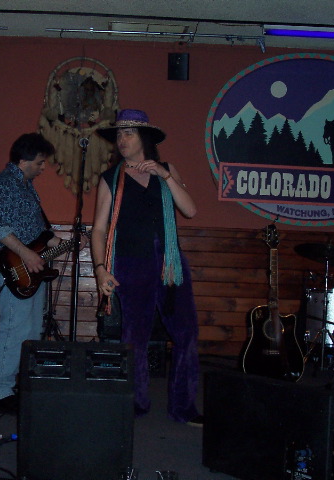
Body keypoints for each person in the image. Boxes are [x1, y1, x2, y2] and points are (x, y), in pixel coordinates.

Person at [91, 109, 203, 426]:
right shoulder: (111, 178)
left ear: (144, 138)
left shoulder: (166, 170)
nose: (122, 139)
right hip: (130, 263)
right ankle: (137, 403)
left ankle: (183, 406)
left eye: (129, 133)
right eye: (119, 134)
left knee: (186, 333)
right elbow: (98, 229)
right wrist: (100, 269)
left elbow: (190, 210)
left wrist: (165, 176)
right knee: (134, 337)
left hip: (170, 264)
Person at [0, 132, 60, 414]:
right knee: (14, 330)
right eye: (40, 162)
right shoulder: (2, 185)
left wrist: (59, 243)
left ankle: (14, 385)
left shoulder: (26, 187)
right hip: (14, 269)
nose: (43, 168)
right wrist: (27, 254)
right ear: (24, 160)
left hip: (30, 269)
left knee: (30, 330)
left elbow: (37, 232)